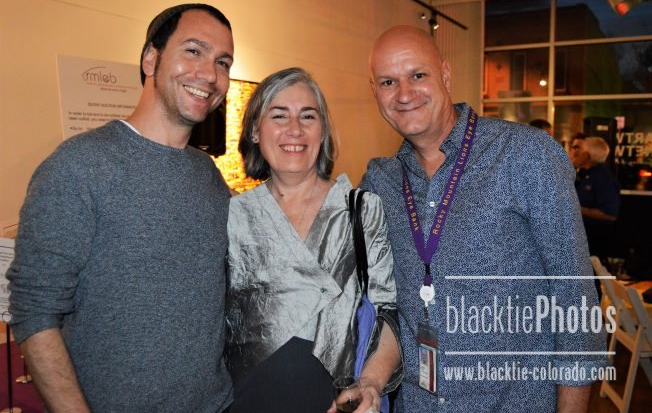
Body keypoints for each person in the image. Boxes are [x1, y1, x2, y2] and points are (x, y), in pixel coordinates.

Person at [362, 26, 605, 413]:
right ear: (374, 91)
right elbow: (379, 300)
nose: (404, 94)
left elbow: (573, 295)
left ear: (445, 73)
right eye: (389, 81)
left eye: (418, 75)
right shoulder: (381, 181)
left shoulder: (525, 155)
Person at [7, 3, 234, 412]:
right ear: (151, 59)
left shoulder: (209, 175)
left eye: (223, 61)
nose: (210, 74)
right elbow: (35, 311)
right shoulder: (78, 167)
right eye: (193, 51)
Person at [225, 67, 402, 413]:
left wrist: (371, 382)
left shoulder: (360, 210)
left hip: (335, 402)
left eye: (308, 116)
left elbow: (390, 312)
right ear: (256, 132)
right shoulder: (233, 215)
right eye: (279, 116)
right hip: (248, 402)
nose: (295, 129)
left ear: (323, 132)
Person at [569, 134, 620, 260]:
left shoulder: (603, 178)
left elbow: (610, 213)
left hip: (596, 237)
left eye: (579, 150)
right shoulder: (585, 175)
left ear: (586, 155)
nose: (576, 153)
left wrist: (577, 208)